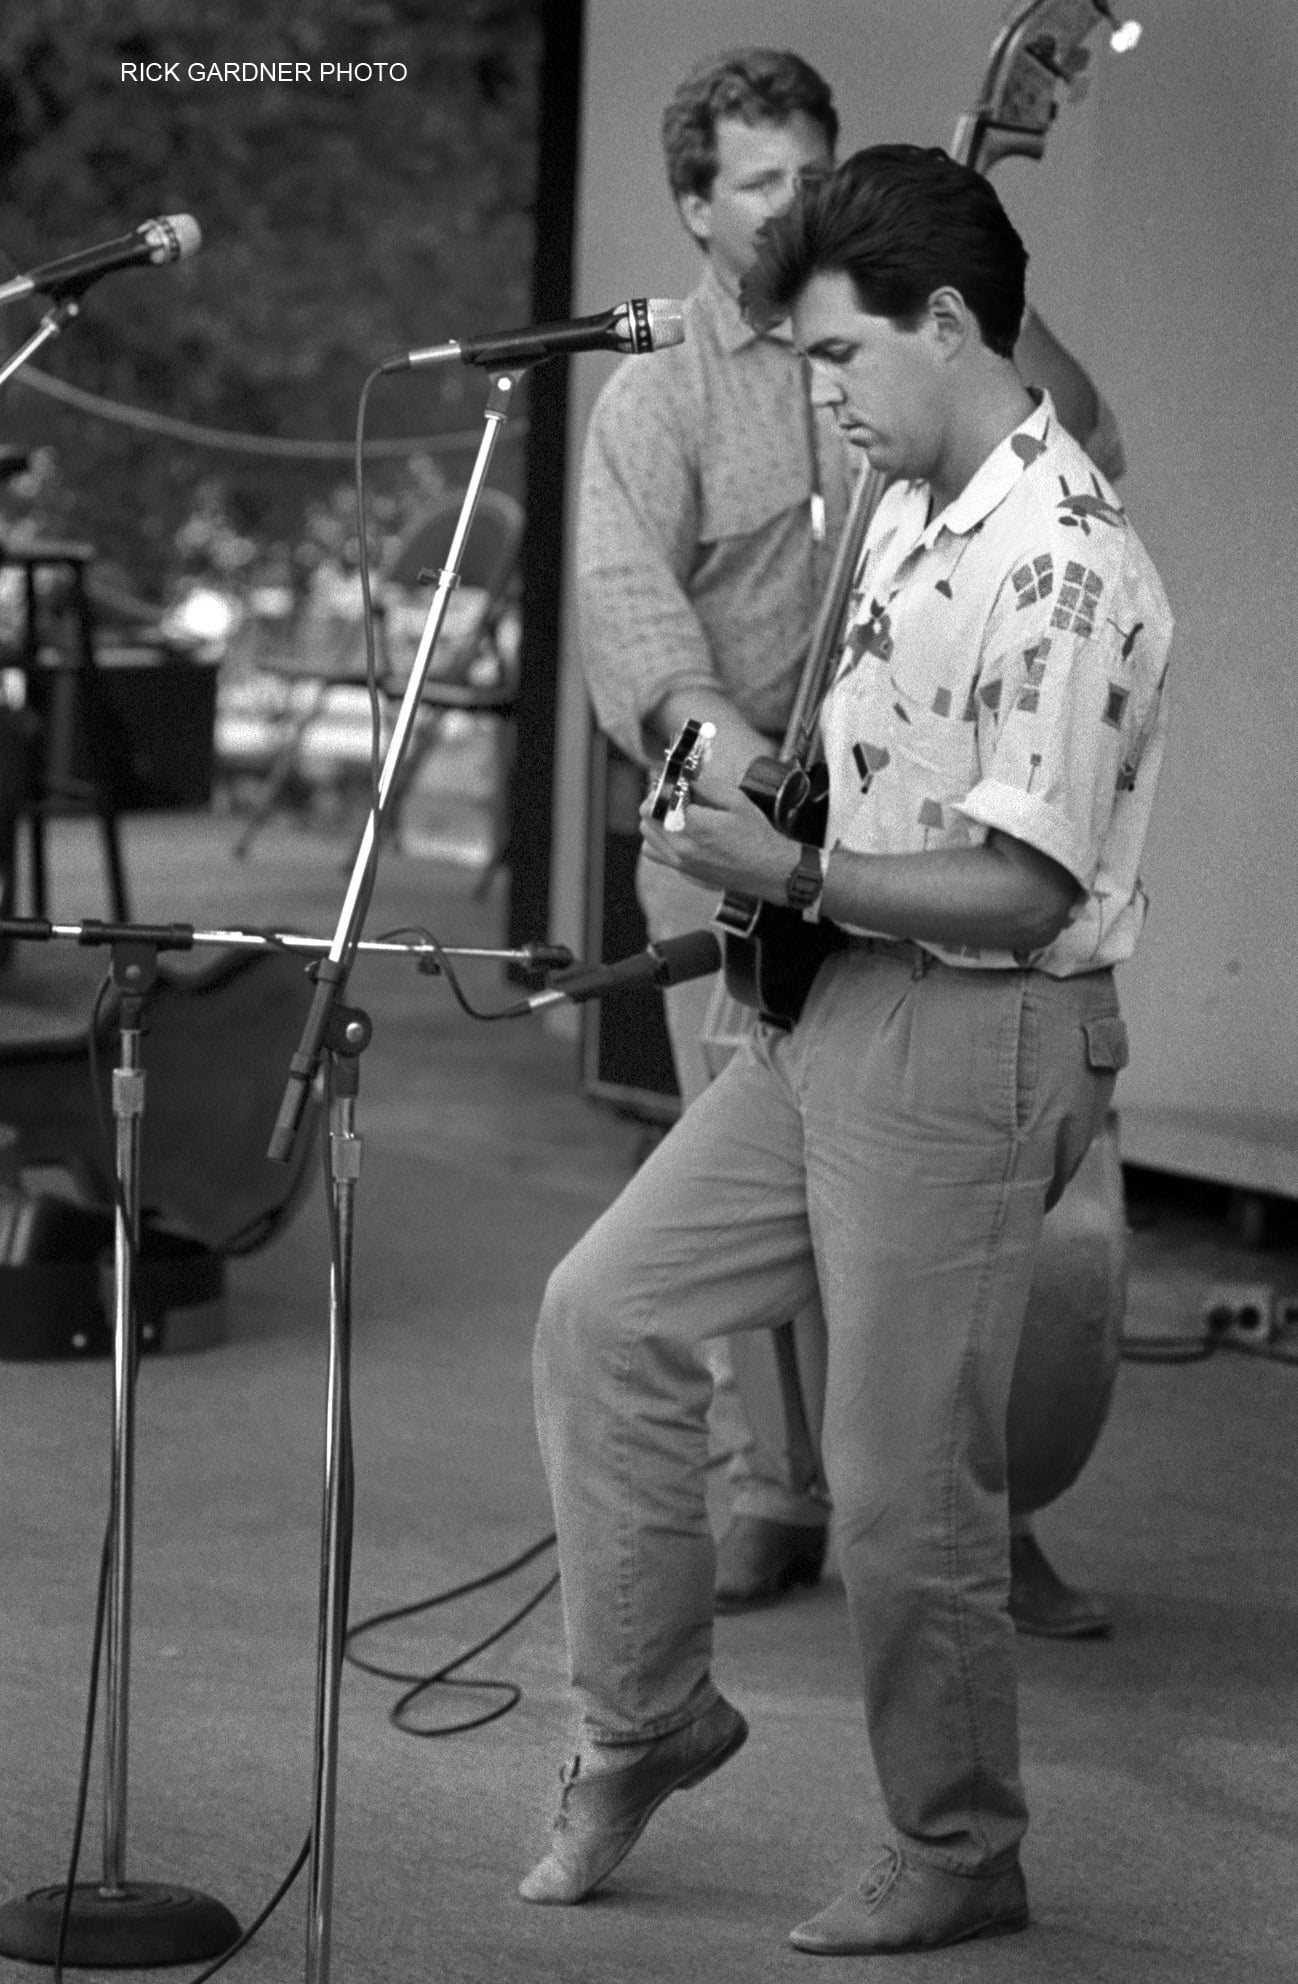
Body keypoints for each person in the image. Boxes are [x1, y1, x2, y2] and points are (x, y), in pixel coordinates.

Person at [523, 144, 1172, 1951]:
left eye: (832, 359)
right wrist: (754, 801)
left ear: (945, 324)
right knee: (606, 1313)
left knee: (900, 1499)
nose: (815, 398)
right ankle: (650, 1719)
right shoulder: (906, 493)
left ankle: (962, 1847)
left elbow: (1022, 883)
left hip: (977, 1032)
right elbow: (867, 754)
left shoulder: (1059, 565)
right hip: (831, 1009)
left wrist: (789, 863)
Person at [577, 45, 1123, 1634]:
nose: (789, 206)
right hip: (734, 820)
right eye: (759, 183)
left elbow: (1074, 443)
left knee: (947, 1210)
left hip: (921, 838)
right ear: (692, 206)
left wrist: (974, 257)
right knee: (746, 1188)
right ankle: (780, 1490)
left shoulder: (889, 332)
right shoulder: (656, 395)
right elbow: (640, 643)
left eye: (809, 175)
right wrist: (769, 800)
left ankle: (977, 1504)